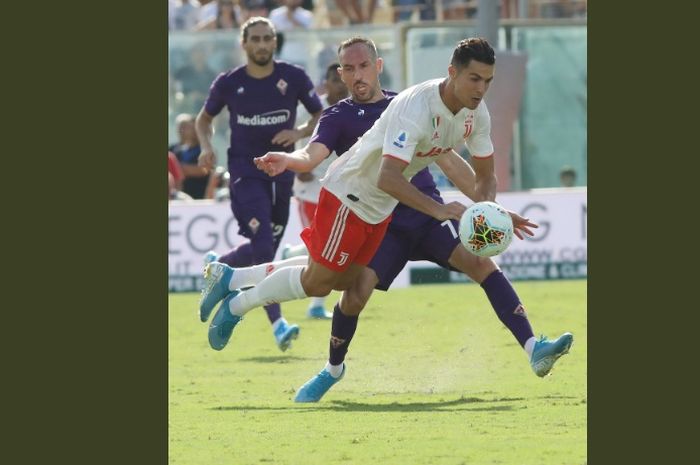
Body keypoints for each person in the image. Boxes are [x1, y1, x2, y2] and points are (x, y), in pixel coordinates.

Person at [200, 38, 573, 401]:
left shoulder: (471, 113)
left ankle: (532, 347)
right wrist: (445, 209)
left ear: (378, 67)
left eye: (488, 81)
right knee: (331, 286)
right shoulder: (402, 109)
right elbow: (373, 173)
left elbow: (470, 170)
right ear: (452, 73)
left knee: (476, 263)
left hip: (407, 211)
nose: (481, 89)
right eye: (475, 79)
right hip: (356, 200)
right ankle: (258, 311)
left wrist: (488, 212)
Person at [195, 16, 324, 351]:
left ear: (275, 42)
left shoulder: (293, 77)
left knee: (266, 250)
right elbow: (204, 118)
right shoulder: (229, 82)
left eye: (268, 38)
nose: (263, 44)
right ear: (244, 43)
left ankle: (217, 266)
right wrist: (207, 146)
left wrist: (297, 133)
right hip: (245, 171)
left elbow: (320, 115)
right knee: (265, 245)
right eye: (256, 38)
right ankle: (278, 324)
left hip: (282, 172)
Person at [283, 62, 349, 319]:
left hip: (339, 189)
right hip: (311, 190)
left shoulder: (353, 108)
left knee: (329, 248)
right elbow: (299, 141)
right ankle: (317, 306)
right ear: (327, 82)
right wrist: (300, 164)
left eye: (342, 78)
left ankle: (295, 252)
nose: (340, 84)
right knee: (324, 252)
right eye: (335, 79)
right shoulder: (313, 112)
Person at [169, 113, 211, 199]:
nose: (181, 130)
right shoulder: (172, 149)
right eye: (179, 126)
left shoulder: (205, 150)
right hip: (176, 199)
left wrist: (175, 168)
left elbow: (204, 170)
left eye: (185, 126)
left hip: (198, 199)